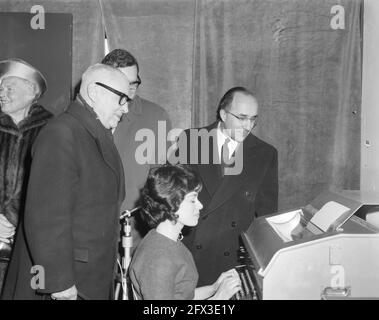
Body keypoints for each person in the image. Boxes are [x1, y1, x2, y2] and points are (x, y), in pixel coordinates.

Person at [1, 63, 129, 300]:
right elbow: (46, 216)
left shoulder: (91, 132)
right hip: (67, 283)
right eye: (122, 99)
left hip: (88, 275)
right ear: (95, 92)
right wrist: (58, 281)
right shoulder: (62, 132)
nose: (126, 108)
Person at [173, 87, 278, 286]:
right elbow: (172, 198)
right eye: (242, 117)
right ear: (223, 114)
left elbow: (266, 215)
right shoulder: (191, 140)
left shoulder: (265, 154)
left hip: (232, 259)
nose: (248, 126)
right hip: (189, 251)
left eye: (253, 119)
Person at [129, 164, 241, 300]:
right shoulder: (159, 260)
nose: (200, 205)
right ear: (171, 203)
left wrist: (215, 287)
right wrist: (220, 298)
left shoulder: (165, 239)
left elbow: (183, 295)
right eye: (193, 200)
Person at [101, 49, 172, 250]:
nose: (131, 89)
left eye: (135, 82)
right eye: (124, 82)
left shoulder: (155, 116)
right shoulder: (86, 116)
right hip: (89, 232)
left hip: (134, 234)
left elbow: (159, 179)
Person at [0, 58, 52, 292]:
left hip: (30, 246)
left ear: (31, 91)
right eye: (0, 88)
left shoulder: (53, 131)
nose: (1, 93)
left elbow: (56, 194)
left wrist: (18, 223)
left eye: (8, 87)